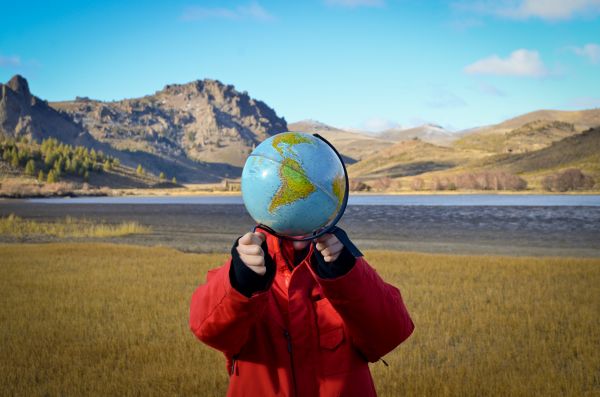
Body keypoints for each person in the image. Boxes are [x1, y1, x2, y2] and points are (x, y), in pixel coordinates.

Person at [189, 226, 414, 397]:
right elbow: (208, 330)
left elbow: (391, 332)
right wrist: (240, 281)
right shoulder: (246, 268)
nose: (297, 223)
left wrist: (346, 272)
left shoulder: (345, 267)